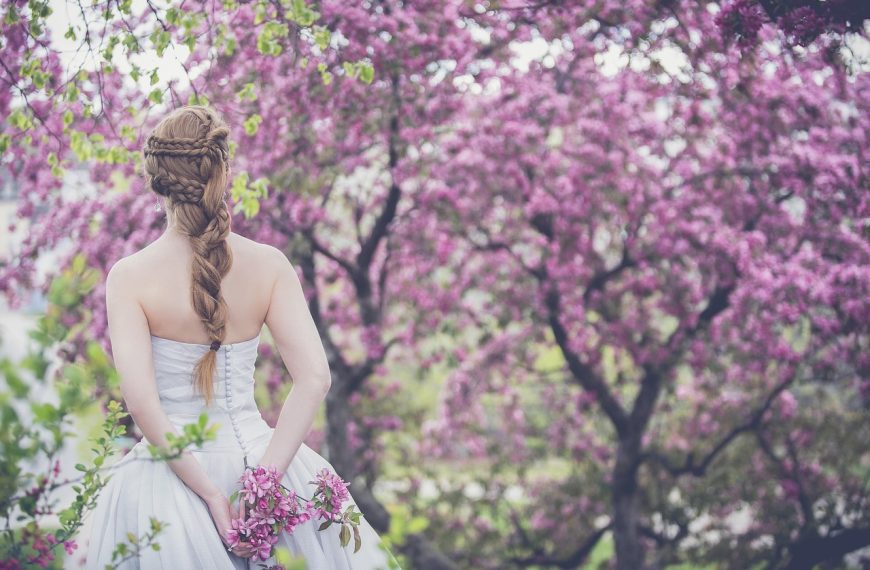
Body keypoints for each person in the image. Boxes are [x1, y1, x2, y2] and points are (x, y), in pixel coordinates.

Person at [85, 105, 399, 569]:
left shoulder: (128, 277)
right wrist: (267, 481)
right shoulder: (269, 264)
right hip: (266, 460)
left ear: (157, 180)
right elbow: (315, 378)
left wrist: (211, 495)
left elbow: (142, 403)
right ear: (223, 171)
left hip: (167, 484)